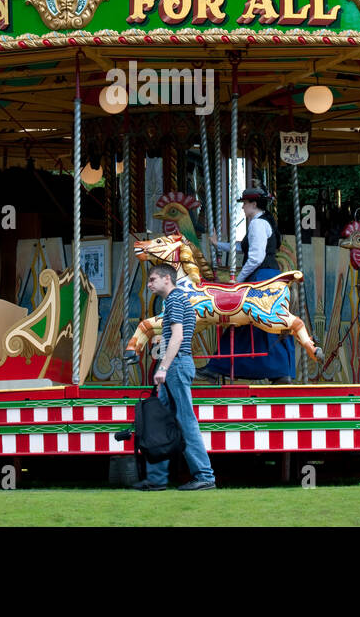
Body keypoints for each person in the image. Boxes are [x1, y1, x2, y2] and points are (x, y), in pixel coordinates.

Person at [133, 263, 216, 491]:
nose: (149, 284)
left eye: (152, 279)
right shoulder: (175, 300)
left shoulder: (174, 300)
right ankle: (157, 479)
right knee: (163, 421)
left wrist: (163, 368)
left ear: (166, 279)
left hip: (177, 364)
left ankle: (205, 476)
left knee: (185, 422)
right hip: (176, 365)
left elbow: (177, 338)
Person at [204, 186, 293, 382]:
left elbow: (255, 257)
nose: (243, 207)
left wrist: (238, 279)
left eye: (245, 203)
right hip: (269, 275)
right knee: (250, 323)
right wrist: (218, 245)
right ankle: (218, 366)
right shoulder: (262, 222)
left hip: (261, 277)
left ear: (254, 204)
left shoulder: (257, 224)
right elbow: (243, 248)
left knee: (252, 322)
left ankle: (278, 371)